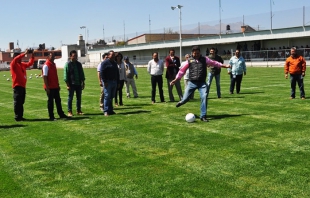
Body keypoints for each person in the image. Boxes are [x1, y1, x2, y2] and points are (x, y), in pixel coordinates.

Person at [170, 46, 230, 122]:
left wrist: (225, 66)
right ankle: (182, 101)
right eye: (195, 53)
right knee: (185, 99)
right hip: (192, 82)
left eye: (198, 53)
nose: (197, 54)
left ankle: (203, 116)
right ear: (192, 53)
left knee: (204, 96)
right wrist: (176, 79)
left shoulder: (205, 59)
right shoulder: (189, 61)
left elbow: (214, 63)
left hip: (202, 83)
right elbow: (182, 71)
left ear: (200, 52)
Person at [10, 49, 34, 121]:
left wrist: (32, 56)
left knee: (21, 102)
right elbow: (16, 59)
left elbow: (30, 63)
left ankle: (20, 116)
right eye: (19, 57)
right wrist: (25, 53)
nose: (21, 58)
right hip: (17, 86)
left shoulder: (22, 64)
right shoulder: (13, 64)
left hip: (23, 86)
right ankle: (17, 116)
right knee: (17, 102)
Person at [42, 53, 68, 121]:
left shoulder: (53, 64)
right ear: (48, 57)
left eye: (54, 56)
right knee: (50, 102)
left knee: (58, 101)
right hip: (50, 87)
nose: (53, 57)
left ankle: (61, 114)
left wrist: (58, 85)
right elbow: (44, 77)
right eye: (52, 56)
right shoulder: (46, 65)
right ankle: (51, 116)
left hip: (55, 86)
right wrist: (47, 87)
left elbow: (55, 76)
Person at [64, 50, 85, 117]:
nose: (75, 57)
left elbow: (81, 73)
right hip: (71, 84)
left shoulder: (79, 64)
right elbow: (65, 75)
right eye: (74, 56)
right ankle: (69, 111)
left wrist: (83, 82)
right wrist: (67, 85)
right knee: (70, 98)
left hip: (78, 83)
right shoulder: (67, 64)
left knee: (79, 98)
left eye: (76, 56)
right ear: (70, 56)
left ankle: (79, 110)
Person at [100, 50, 119, 116]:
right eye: (112, 55)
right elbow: (102, 73)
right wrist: (104, 81)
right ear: (108, 56)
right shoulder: (104, 63)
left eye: (114, 55)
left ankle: (111, 110)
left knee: (111, 96)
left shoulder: (114, 63)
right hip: (108, 82)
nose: (113, 56)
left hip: (114, 81)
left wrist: (118, 81)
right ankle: (106, 111)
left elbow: (117, 72)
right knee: (107, 96)